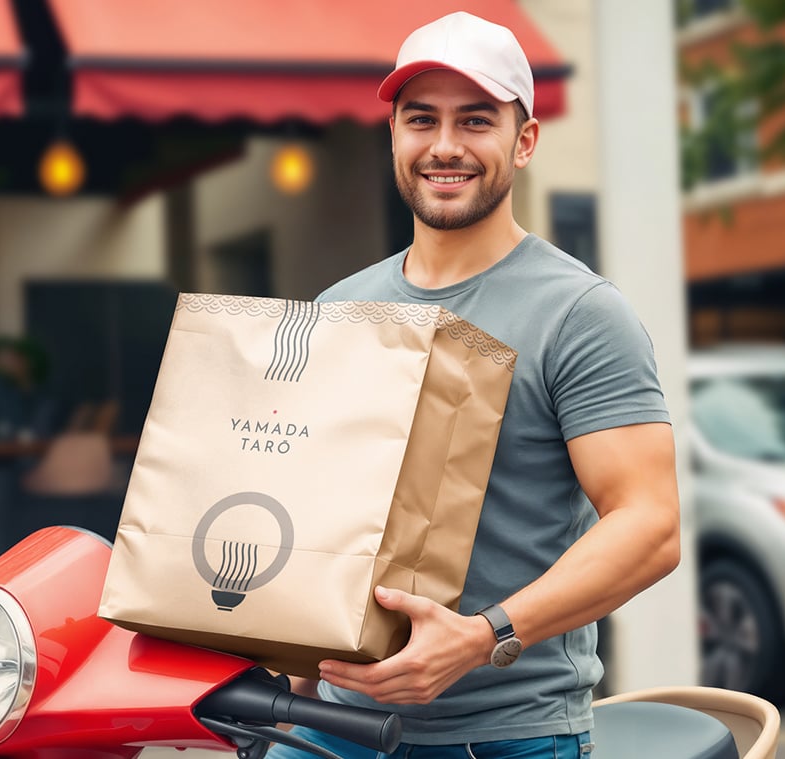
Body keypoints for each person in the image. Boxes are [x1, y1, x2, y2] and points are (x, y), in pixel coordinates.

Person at [267, 11, 681, 759]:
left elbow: (649, 525)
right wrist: (292, 695)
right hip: (335, 728)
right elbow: (321, 513)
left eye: (477, 120)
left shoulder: (581, 314)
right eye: (421, 119)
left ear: (523, 142)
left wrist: (482, 637)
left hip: (507, 736)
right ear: (393, 134)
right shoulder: (338, 310)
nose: (445, 146)